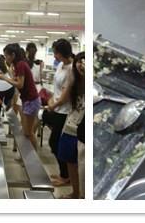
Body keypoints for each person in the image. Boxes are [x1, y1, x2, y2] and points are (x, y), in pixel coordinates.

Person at [42, 39, 74, 186]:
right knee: (55, 142)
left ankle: (65, 175)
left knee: (55, 143)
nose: (54, 55)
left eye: (55, 53)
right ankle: (64, 173)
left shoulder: (72, 69)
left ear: (62, 53)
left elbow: (65, 96)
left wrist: (53, 105)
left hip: (64, 112)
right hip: (55, 108)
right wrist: (50, 101)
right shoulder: (61, 65)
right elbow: (57, 88)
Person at [0, 43, 40, 149]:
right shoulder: (18, 65)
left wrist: (4, 78)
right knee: (26, 132)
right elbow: (18, 81)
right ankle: (28, 155)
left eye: (6, 55)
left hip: (31, 100)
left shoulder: (20, 65)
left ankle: (34, 157)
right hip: (27, 100)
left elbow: (20, 84)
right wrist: (9, 76)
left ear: (13, 55)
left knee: (28, 133)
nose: (5, 58)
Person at [57, 52, 85, 198]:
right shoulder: (74, 83)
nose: (82, 64)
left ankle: (82, 194)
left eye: (85, 62)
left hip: (82, 131)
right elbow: (64, 98)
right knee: (70, 162)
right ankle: (75, 192)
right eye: (79, 61)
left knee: (82, 166)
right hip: (70, 126)